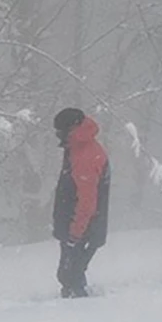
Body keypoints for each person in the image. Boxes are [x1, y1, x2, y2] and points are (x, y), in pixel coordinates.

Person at [51, 108, 111, 298]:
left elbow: (87, 201)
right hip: (81, 227)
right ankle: (76, 303)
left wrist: (74, 234)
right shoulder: (79, 147)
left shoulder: (85, 155)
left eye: (59, 131)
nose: (57, 136)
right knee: (70, 275)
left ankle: (78, 313)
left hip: (82, 229)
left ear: (71, 129)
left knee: (70, 276)